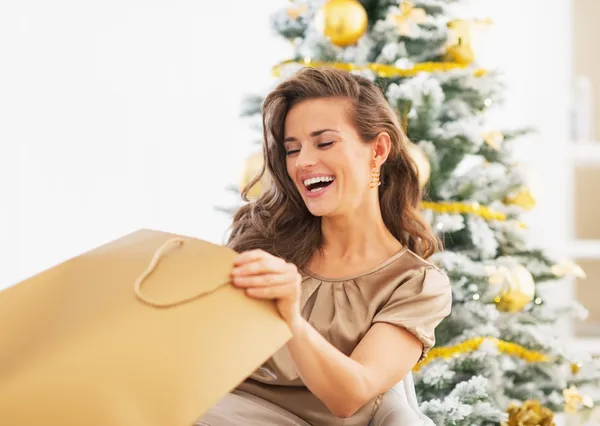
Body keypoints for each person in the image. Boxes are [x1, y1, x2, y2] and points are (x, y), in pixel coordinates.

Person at [196, 67, 452, 426]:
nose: (302, 162)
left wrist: (290, 317)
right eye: (292, 149)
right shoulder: (267, 241)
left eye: (325, 142)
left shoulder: (415, 284)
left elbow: (350, 395)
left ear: (377, 149)